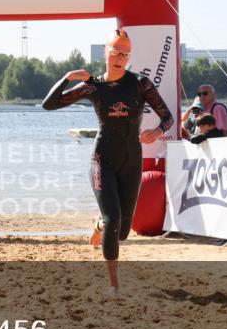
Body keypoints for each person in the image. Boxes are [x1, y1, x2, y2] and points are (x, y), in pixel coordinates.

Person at [42, 28, 174, 295]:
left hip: (132, 160)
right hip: (102, 158)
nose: (120, 58)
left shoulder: (140, 83)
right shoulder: (94, 86)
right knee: (114, 219)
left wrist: (158, 131)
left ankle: (99, 224)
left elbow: (167, 116)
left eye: (125, 54)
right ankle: (113, 284)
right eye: (116, 52)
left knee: (122, 231)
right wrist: (67, 78)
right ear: (106, 52)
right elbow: (49, 104)